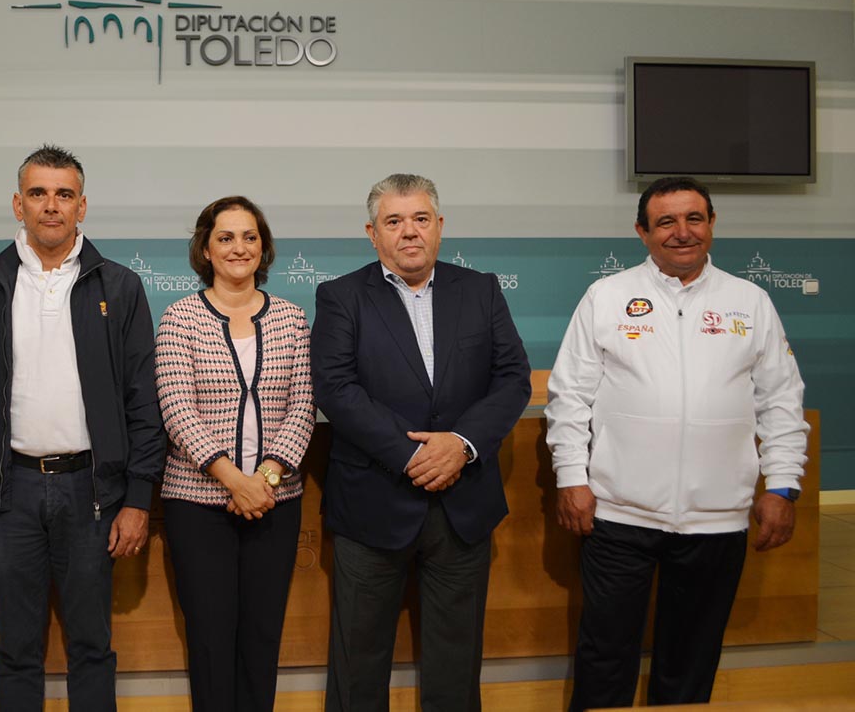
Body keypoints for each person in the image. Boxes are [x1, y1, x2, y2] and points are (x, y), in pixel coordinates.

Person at [545, 175, 809, 711]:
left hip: (717, 521)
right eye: (666, 221)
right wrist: (572, 477)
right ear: (642, 231)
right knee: (604, 657)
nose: (682, 232)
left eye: (694, 218)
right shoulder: (608, 296)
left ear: (711, 225)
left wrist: (783, 485)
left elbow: (781, 401)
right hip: (619, 516)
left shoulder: (750, 301)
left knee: (690, 660)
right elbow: (569, 397)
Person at [0, 145, 164, 711]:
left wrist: (138, 499)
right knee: (16, 651)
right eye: (38, 193)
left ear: (82, 205)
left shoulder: (120, 286)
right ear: (18, 204)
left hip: (92, 492)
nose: (51, 206)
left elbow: (144, 402)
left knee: (92, 647)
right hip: (6, 494)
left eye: (64, 194)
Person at [312, 173, 531, 712]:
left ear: (439, 227)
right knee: (358, 665)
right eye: (394, 221)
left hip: (463, 506)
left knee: (456, 667)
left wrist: (461, 443)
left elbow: (513, 379)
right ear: (372, 233)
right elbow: (337, 390)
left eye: (420, 219)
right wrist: (414, 456)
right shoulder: (341, 296)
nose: (409, 232)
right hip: (373, 506)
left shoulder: (480, 289)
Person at [154, 196, 315, 712]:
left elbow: (304, 407)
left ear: (263, 247)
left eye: (249, 237)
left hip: (276, 502)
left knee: (262, 637)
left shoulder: (292, 318)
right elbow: (177, 410)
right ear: (206, 247)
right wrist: (234, 481)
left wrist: (263, 480)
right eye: (225, 237)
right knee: (209, 638)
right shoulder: (179, 318)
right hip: (197, 504)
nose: (238, 247)